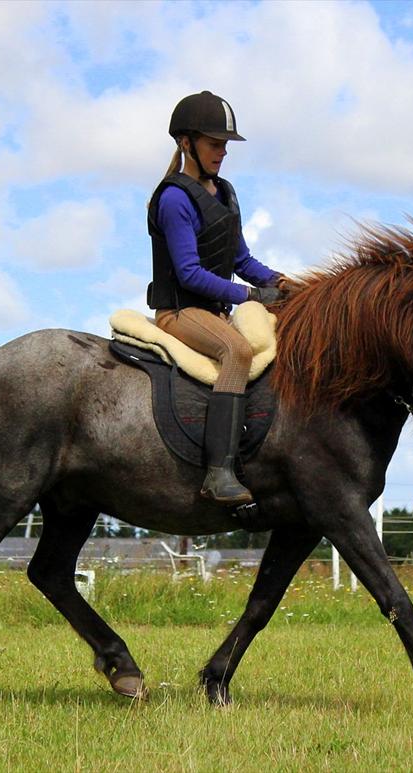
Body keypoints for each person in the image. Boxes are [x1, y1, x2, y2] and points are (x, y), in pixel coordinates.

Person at [147, 91, 290, 507]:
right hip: (179, 312)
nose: (222, 152)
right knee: (238, 351)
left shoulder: (224, 192)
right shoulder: (174, 198)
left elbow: (240, 258)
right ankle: (218, 473)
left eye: (226, 145)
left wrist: (279, 282)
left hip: (214, 310)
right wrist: (251, 295)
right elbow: (190, 272)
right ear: (186, 143)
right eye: (215, 143)